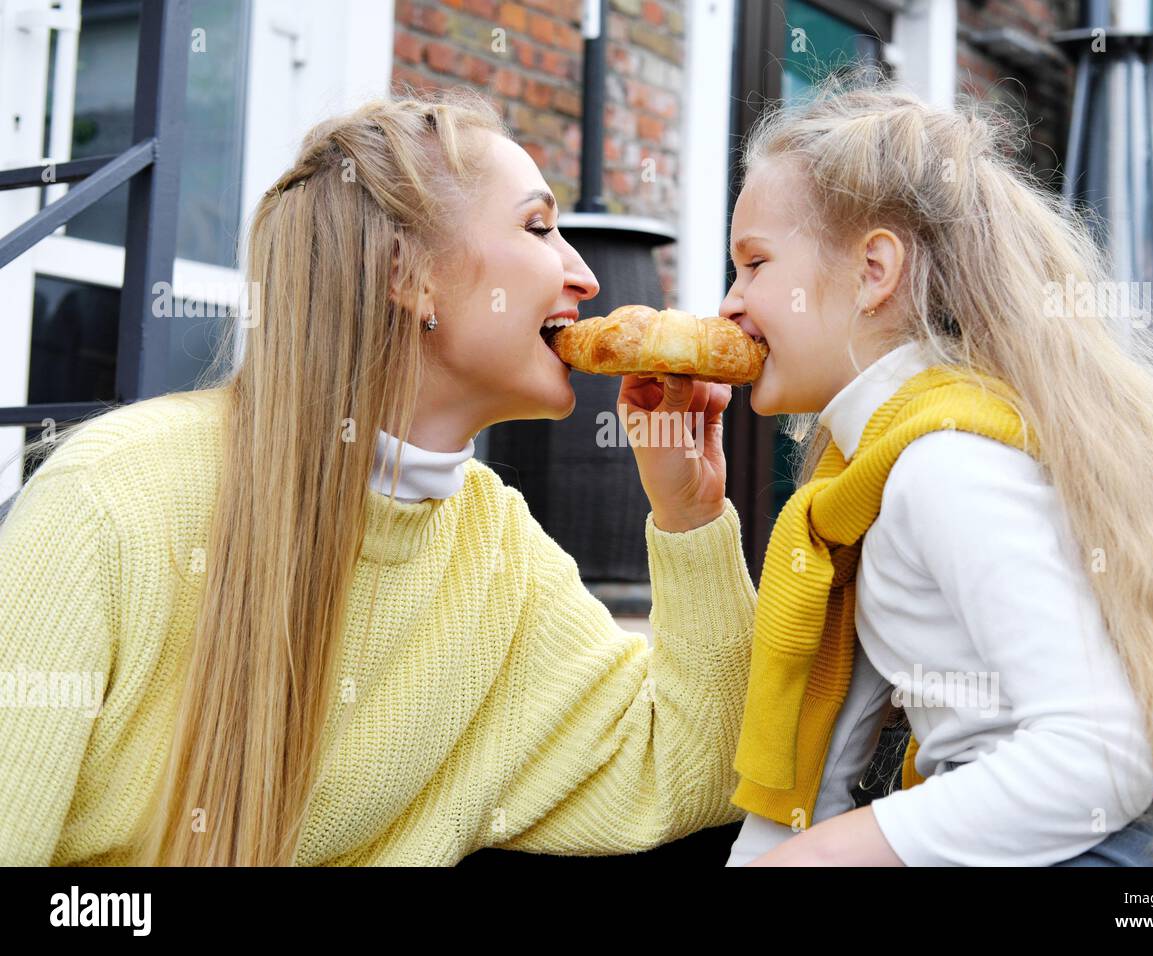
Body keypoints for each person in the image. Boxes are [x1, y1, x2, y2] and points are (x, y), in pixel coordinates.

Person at [0, 89, 756, 866]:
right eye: (538, 228)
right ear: (410, 275)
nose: (585, 276)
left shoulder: (495, 545)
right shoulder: (108, 502)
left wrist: (690, 514)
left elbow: (693, 774)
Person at [719, 68, 1153, 867]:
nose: (727, 303)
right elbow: (824, 763)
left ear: (874, 272)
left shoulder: (945, 467)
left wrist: (820, 855)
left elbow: (1097, 756)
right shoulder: (867, 477)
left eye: (754, 264)